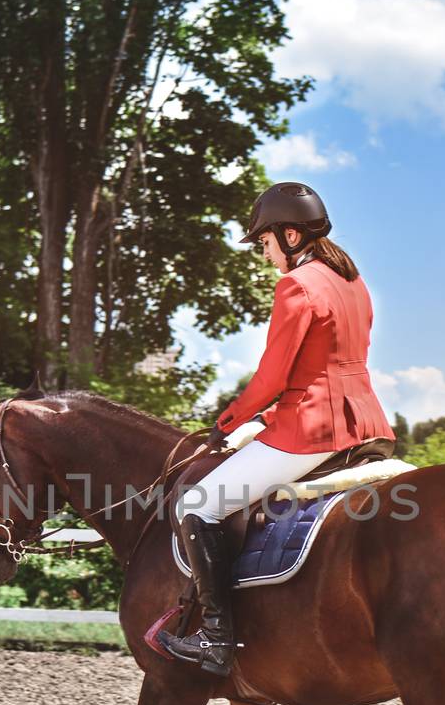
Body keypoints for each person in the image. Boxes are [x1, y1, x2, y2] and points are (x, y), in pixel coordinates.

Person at [156, 181, 396, 677]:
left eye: (263, 243)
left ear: (289, 236)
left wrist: (226, 422)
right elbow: (329, 365)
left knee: (196, 505)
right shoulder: (354, 283)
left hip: (311, 431)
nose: (263, 254)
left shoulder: (297, 285)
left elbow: (273, 377)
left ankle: (217, 641)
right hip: (367, 424)